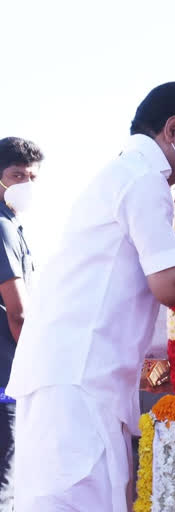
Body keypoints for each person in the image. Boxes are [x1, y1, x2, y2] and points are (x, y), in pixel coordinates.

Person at [6, 82, 175, 510]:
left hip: (77, 377)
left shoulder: (125, 173)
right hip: (78, 380)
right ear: (173, 129)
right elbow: (167, 287)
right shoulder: (143, 180)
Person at [0, 137, 43, 498]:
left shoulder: (13, 227)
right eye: (17, 176)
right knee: (7, 482)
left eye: (32, 178)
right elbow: (19, 311)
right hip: (7, 377)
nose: (26, 186)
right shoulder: (2, 227)